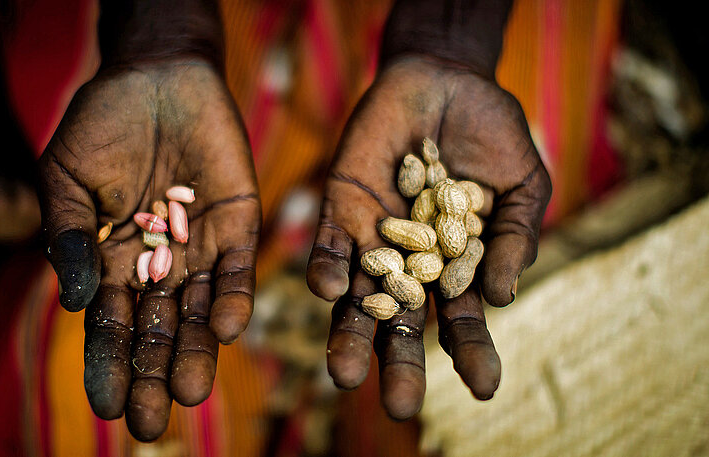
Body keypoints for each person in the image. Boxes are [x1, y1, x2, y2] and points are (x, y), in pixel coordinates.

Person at [35, 0, 551, 443]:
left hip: (432, 32)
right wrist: (161, 31)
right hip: (224, 50)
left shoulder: (441, 192)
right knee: (57, 385)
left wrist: (450, 39)